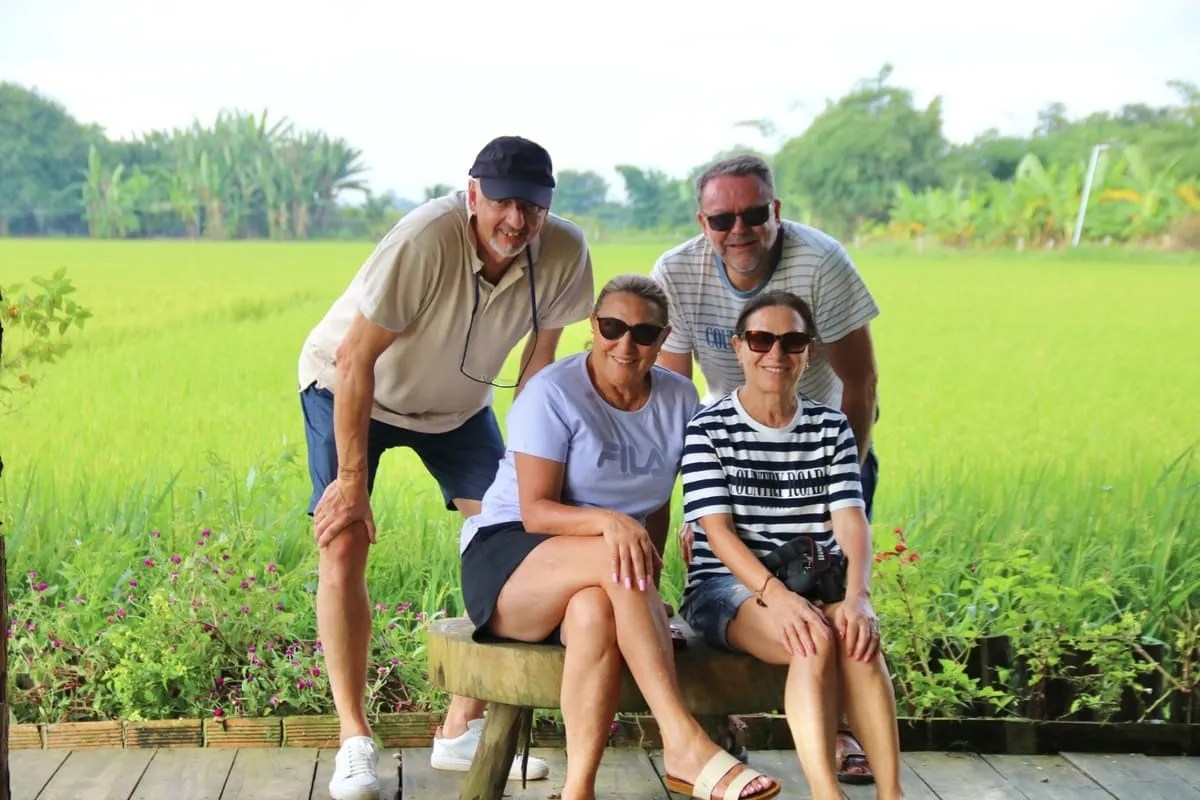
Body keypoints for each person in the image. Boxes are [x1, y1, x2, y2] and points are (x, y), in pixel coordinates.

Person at [297, 135, 595, 800]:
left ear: (548, 209)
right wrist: (351, 483)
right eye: (501, 203)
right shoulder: (425, 239)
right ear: (471, 196)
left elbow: (539, 369)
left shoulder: (566, 252)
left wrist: (532, 475)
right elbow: (355, 358)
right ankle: (354, 740)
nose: (515, 221)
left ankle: (462, 727)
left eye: (532, 207)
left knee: (519, 546)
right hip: (350, 387)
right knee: (342, 539)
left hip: (458, 410)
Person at [459, 274, 783, 800]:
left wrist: (649, 602)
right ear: (593, 325)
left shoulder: (679, 399)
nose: (625, 344)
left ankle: (578, 789)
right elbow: (536, 510)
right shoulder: (554, 392)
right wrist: (612, 523)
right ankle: (681, 740)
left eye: (643, 333)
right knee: (616, 560)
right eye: (612, 327)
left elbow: (657, 505)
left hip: (604, 574)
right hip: (511, 558)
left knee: (594, 611)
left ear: (664, 337)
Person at [651, 153, 881, 784]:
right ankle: (724, 720)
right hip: (731, 448)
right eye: (723, 219)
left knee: (834, 601)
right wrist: (698, 503)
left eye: (754, 214)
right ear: (704, 222)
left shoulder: (821, 260)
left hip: (820, 441)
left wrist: (839, 481)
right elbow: (674, 401)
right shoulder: (677, 270)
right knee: (734, 591)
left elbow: (861, 385)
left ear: (775, 212)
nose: (739, 230)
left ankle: (839, 734)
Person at [679, 290, 904, 800]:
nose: (775, 354)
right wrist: (776, 597)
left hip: (812, 579)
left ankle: (893, 794)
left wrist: (857, 596)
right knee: (813, 638)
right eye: (761, 339)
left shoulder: (831, 427)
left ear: (809, 350)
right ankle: (828, 793)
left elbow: (851, 519)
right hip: (728, 587)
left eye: (792, 340)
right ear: (739, 347)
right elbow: (717, 534)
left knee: (856, 637)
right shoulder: (709, 428)